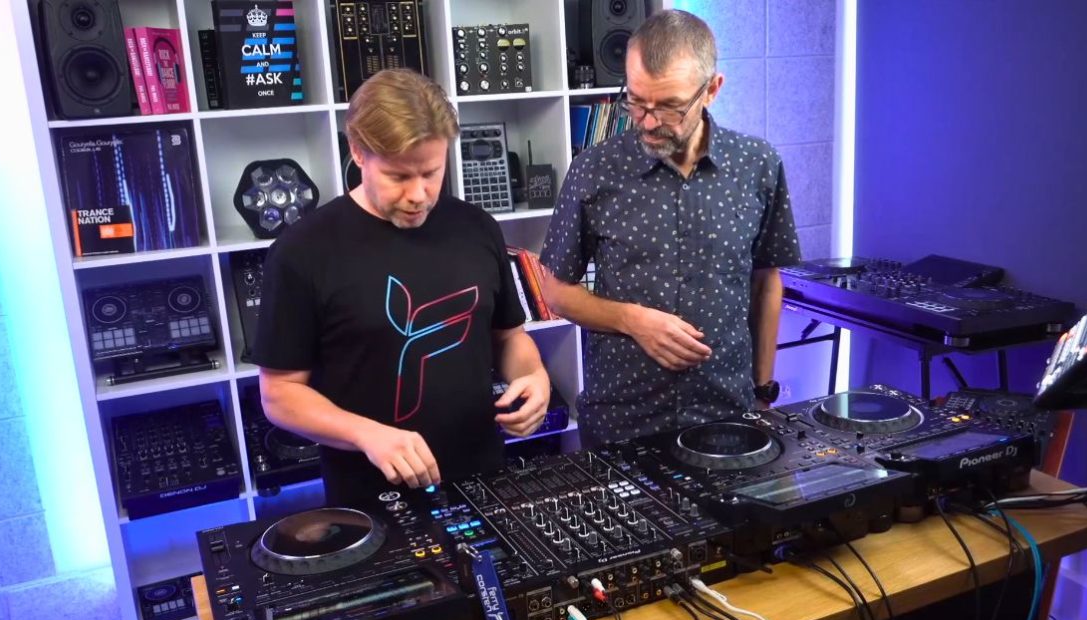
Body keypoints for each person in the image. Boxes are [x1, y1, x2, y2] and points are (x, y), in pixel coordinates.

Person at [252, 69, 551, 508]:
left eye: (431, 172)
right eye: (397, 176)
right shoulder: (303, 251)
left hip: (483, 480)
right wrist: (366, 434)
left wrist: (533, 377)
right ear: (357, 152)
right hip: (368, 498)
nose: (419, 194)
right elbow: (279, 395)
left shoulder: (477, 228)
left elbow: (507, 336)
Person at [539, 10, 801, 446]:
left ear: (712, 90)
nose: (648, 121)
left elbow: (766, 281)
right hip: (621, 418)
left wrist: (762, 390)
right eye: (637, 101)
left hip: (726, 415)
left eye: (669, 106)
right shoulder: (593, 170)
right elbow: (554, 290)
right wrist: (631, 320)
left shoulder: (758, 165)